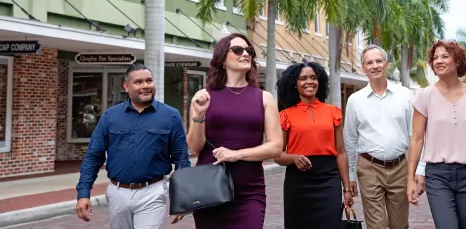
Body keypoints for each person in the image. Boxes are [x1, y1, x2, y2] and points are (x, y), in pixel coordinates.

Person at [75, 63, 190, 228]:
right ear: (126, 86)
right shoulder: (110, 116)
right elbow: (93, 156)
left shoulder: (171, 116)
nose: (145, 86)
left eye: (149, 81)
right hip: (118, 192)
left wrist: (181, 199)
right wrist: (83, 193)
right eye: (138, 82)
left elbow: (181, 159)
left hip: (153, 191)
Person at [186, 33, 282, 229]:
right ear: (222, 60)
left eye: (250, 51)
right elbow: (195, 147)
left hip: (250, 192)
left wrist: (236, 155)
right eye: (238, 50)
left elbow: (276, 147)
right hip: (209, 189)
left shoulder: (264, 98)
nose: (245, 54)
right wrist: (199, 115)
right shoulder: (203, 97)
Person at [407, 40, 466, 229]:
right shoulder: (424, 96)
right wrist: (410, 179)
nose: (438, 61)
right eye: (435, 58)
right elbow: (417, 139)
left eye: (444, 56)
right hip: (437, 176)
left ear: (457, 61)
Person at [343, 45, 425, 229]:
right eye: (369, 62)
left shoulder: (404, 95)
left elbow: (416, 136)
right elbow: (350, 140)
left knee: (399, 224)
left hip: (400, 168)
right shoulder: (355, 100)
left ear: (386, 64)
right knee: (376, 225)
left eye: (379, 61)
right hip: (369, 168)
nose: (375, 66)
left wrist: (420, 169)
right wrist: (351, 176)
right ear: (363, 67)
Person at [274, 61, 354, 229]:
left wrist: (347, 188)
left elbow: (341, 153)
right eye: (303, 78)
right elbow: (277, 156)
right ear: (294, 84)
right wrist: (293, 157)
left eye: (313, 78)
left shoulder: (333, 112)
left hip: (329, 179)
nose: (309, 82)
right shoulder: (285, 115)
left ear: (320, 82)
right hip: (298, 181)